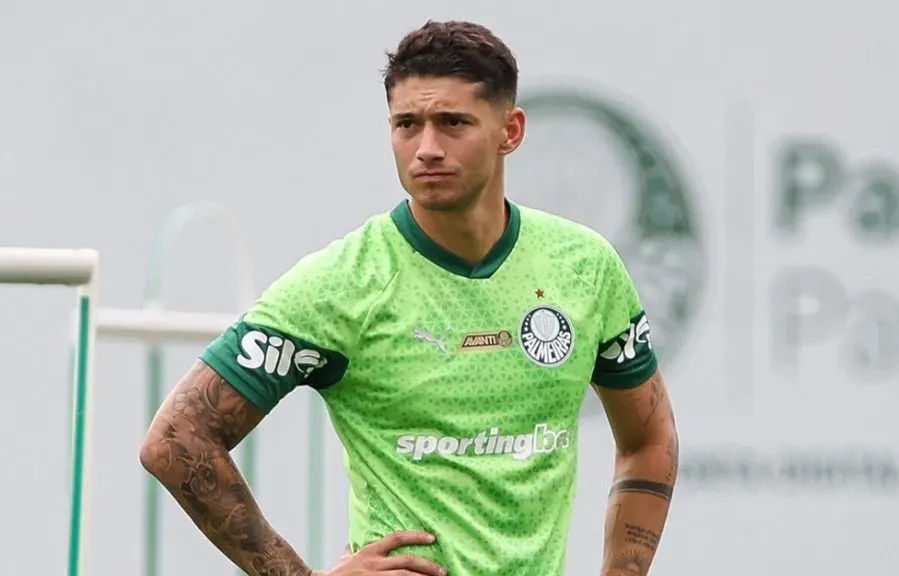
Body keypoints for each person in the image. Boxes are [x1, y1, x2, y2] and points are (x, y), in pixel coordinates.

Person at [139, 19, 678, 576]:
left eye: (452, 123)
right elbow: (177, 439)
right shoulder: (343, 282)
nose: (426, 149)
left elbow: (650, 439)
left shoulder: (585, 268)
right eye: (406, 125)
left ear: (510, 131)